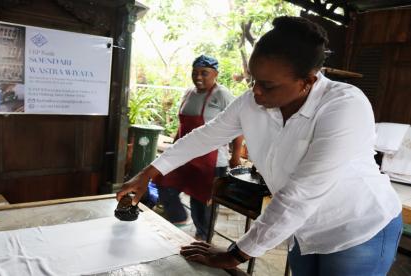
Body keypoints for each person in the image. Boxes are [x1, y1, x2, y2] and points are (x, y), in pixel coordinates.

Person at [118, 16, 402, 275]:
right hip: (303, 230)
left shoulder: (344, 106)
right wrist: (148, 174)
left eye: (268, 85)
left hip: (359, 228)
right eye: (254, 80)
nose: (255, 91)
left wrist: (233, 255)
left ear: (307, 82)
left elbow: (300, 194)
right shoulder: (253, 101)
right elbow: (206, 135)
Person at [154, 55, 243, 241]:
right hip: (183, 154)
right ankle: (178, 218)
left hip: (211, 160)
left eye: (204, 73)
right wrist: (172, 145)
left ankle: (203, 238)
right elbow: (182, 125)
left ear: (216, 74)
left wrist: (235, 156)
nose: (199, 77)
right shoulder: (188, 93)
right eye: (195, 73)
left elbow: (238, 126)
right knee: (163, 182)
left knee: (201, 201)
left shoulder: (222, 95)